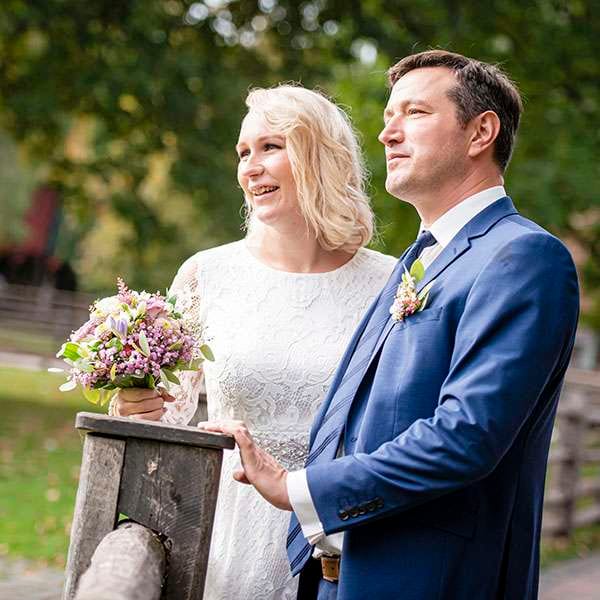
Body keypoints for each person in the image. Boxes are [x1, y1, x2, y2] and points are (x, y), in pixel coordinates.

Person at [202, 50, 580, 599]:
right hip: (341, 577)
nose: (387, 134)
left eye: (415, 113)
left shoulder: (521, 256)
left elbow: (466, 437)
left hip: (431, 581)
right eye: (387, 117)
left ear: (481, 132)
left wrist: (298, 488)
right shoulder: (420, 258)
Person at [112, 85, 396, 599]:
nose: (251, 167)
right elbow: (167, 419)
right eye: (244, 152)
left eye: (271, 147)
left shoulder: (390, 285)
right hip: (224, 536)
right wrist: (135, 404)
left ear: (319, 156)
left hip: (344, 542)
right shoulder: (206, 275)